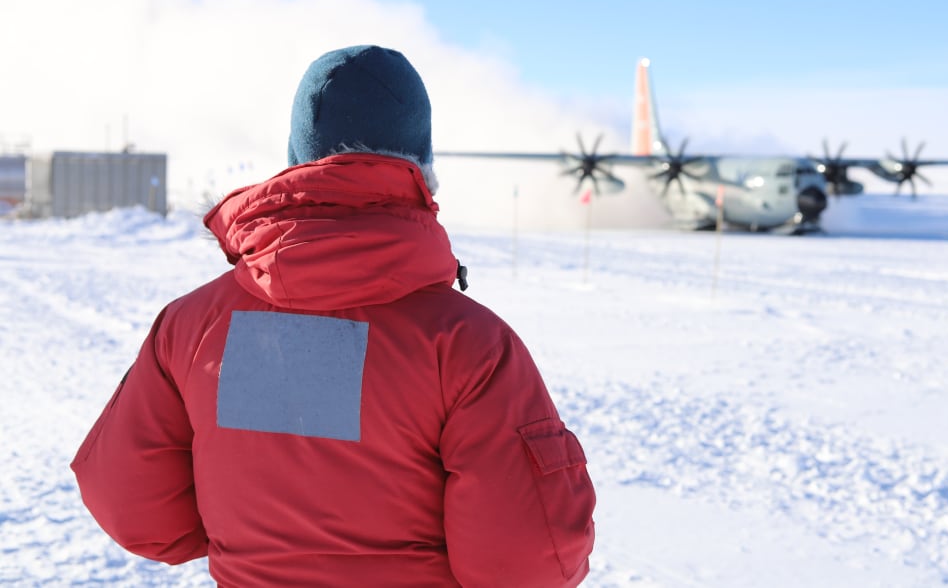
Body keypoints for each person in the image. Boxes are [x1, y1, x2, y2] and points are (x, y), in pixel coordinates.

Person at [71, 45, 596, 587]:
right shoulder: (469, 344)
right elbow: (525, 562)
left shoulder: (190, 326)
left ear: (298, 157)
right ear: (421, 168)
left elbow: (134, 508)